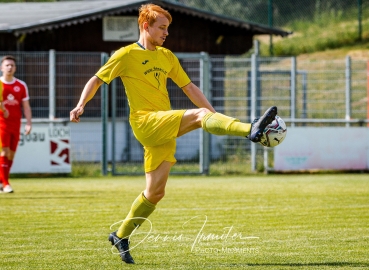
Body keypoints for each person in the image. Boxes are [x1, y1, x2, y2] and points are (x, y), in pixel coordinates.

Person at [70, 4, 277, 264]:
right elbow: (96, 79)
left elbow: (189, 87)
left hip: (163, 127)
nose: (166, 33)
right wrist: (81, 104)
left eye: (168, 28)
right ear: (146, 26)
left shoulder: (167, 56)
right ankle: (251, 129)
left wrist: (216, 118)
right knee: (200, 116)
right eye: (162, 28)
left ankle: (120, 235)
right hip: (145, 122)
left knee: (155, 192)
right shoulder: (125, 55)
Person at [0, 55, 32, 193]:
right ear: (1, 67)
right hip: (1, 124)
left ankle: (2, 181)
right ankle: (6, 183)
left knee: (11, 154)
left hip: (15, 124)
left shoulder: (21, 85)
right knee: (4, 151)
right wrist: (2, 108)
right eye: (7, 65)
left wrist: (29, 123)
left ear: (15, 68)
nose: (9, 67)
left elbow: (26, 106)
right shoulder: (0, 84)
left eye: (12, 65)